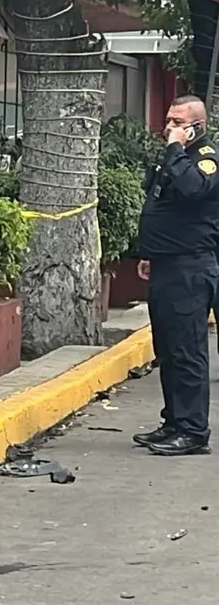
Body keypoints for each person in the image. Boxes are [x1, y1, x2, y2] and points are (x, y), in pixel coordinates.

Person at [134, 94, 219, 456]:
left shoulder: (206, 159)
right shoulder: (177, 157)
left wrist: (175, 150)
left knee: (187, 351)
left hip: (190, 267)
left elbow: (191, 191)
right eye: (168, 119)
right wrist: (150, 252)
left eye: (176, 121)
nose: (168, 126)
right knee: (167, 350)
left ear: (196, 127)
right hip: (167, 264)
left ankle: (192, 429)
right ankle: (174, 421)